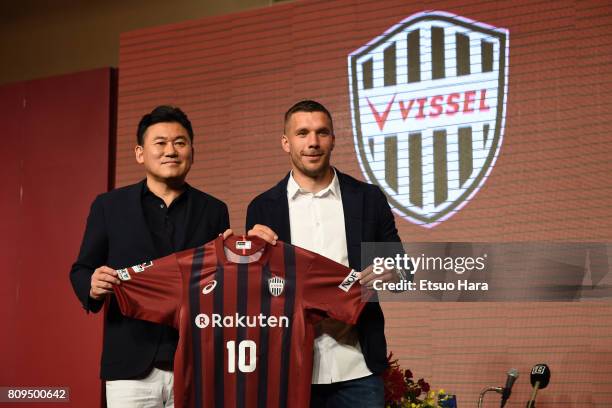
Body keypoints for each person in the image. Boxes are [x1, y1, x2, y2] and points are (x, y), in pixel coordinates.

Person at [246, 100, 403, 407]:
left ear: (333, 138)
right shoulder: (262, 207)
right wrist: (246, 260)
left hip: (358, 366)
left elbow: (402, 268)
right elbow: (258, 291)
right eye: (303, 133)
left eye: (322, 133)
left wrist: (389, 270)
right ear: (285, 142)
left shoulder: (368, 198)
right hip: (291, 367)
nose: (313, 142)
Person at [70, 105, 229, 407]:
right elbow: (81, 269)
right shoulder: (109, 206)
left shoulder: (214, 210)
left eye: (180, 143)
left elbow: (219, 281)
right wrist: (91, 283)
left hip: (196, 363)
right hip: (130, 367)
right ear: (140, 153)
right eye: (160, 143)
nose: (171, 150)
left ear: (192, 152)